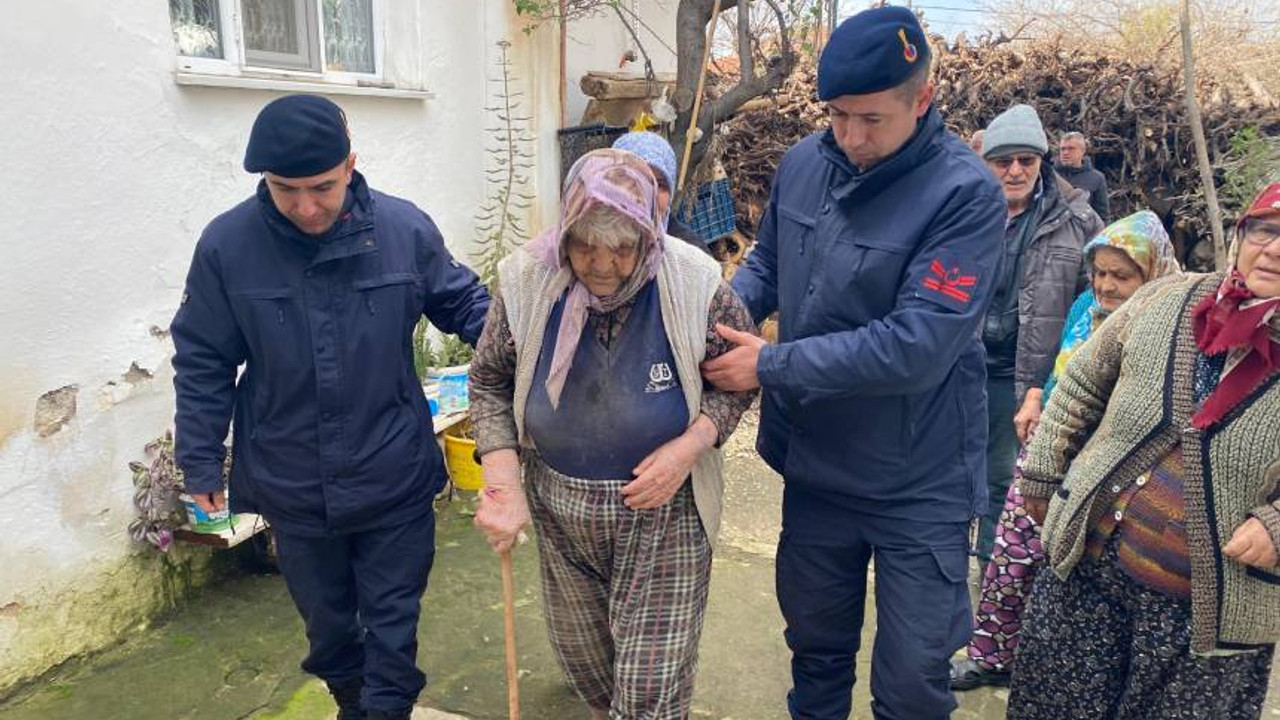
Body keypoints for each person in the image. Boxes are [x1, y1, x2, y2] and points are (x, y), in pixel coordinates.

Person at [702, 7, 1007, 719]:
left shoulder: (965, 194)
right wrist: (721, 321)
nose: (850, 136)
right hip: (819, 465)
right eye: (837, 115)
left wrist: (769, 365)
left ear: (922, 99)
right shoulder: (807, 163)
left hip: (918, 478)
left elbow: (919, 343)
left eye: (871, 119)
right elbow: (769, 263)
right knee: (815, 652)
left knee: (910, 683)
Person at [170, 95, 491, 720]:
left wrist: (543, 347)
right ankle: (354, 701)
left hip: (392, 469)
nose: (307, 206)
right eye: (286, 190)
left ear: (351, 164)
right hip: (293, 480)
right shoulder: (227, 247)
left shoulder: (405, 232)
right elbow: (203, 359)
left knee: (394, 626)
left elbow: (472, 311)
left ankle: (384, 709)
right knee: (330, 631)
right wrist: (201, 463)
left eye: (322, 186)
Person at [469, 148, 757, 719]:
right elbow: (488, 381)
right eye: (585, 246)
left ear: (649, 238)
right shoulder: (528, 279)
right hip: (560, 508)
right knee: (587, 664)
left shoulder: (695, 281)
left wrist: (689, 446)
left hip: (664, 509)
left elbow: (739, 379)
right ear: (565, 232)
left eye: (622, 248)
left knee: (649, 686)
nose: (602, 265)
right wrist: (502, 482)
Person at [1008, 181, 1280, 719]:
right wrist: (1042, 469)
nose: (1272, 249)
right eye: (1265, 230)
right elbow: (1083, 381)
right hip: (1083, 574)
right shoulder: (1169, 297)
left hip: (1203, 615)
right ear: (1240, 234)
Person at [949, 210, 1181, 690]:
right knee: (1011, 558)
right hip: (1047, 454)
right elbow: (1060, 369)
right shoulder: (1083, 309)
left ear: (1153, 272)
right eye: (1100, 272)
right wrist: (1037, 394)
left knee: (1070, 578)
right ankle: (991, 655)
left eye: (1122, 275)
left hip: (1108, 475)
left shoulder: (1170, 330)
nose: (1107, 286)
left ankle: (1047, 672)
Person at [974, 104, 1104, 566]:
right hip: (959, 373)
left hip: (1025, 380)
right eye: (1003, 161)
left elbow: (1096, 310)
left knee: (1002, 484)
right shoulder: (961, 213)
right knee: (944, 481)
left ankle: (990, 589)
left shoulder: (1078, 223)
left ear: (1041, 161)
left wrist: (1047, 387)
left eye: (1026, 160)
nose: (1014, 171)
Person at [612, 130, 715, 256]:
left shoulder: (690, 255)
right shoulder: (589, 242)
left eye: (660, 184)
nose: (648, 194)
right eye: (637, 180)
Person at [1056, 131, 1110, 221]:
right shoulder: (1049, 175)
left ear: (1082, 151)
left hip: (1083, 232)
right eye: (1062, 149)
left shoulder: (1096, 178)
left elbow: (1102, 216)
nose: (1065, 153)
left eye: (1071, 149)